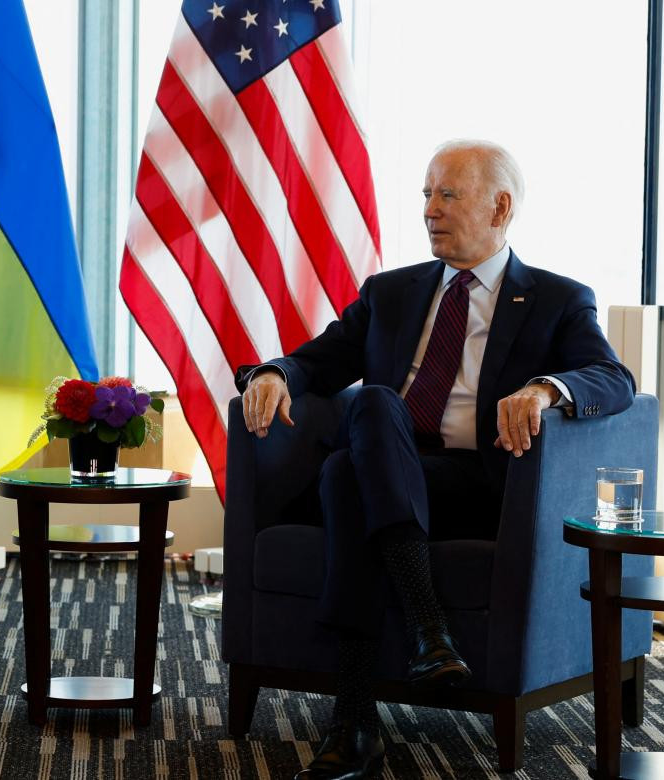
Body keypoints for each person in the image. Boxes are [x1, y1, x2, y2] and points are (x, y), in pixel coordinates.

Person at [239, 140, 635, 780]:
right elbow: (318, 358)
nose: (429, 210)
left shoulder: (558, 299)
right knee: (367, 424)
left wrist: (545, 389)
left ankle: (358, 718)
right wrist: (274, 374)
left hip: (475, 485)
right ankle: (420, 643)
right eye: (426, 194)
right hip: (389, 460)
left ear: (500, 206)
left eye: (447, 195)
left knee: (347, 472)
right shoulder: (391, 293)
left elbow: (612, 378)